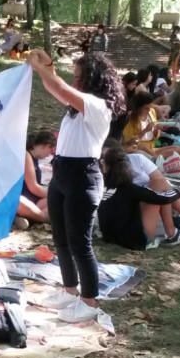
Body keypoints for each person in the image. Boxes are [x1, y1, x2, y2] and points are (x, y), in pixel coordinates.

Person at [25, 49, 127, 323]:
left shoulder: (98, 106)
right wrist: (48, 67)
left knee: (80, 244)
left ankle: (89, 301)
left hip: (83, 177)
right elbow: (56, 87)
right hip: (62, 174)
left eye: (79, 76)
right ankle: (70, 291)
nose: (75, 80)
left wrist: (40, 68)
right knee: (60, 238)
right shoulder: (76, 108)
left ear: (92, 79)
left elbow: (60, 87)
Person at [97, 146, 180, 251]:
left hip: (109, 236)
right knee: (161, 186)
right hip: (135, 241)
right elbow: (163, 199)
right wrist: (176, 192)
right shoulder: (131, 189)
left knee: (160, 186)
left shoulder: (101, 187)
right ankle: (174, 231)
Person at [122, 91, 180, 159]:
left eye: (150, 107)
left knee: (179, 149)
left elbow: (155, 136)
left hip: (152, 148)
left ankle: (156, 157)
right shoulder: (131, 120)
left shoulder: (151, 112)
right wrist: (145, 131)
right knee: (142, 147)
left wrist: (156, 130)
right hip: (140, 150)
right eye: (146, 108)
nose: (149, 110)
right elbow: (129, 143)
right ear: (138, 108)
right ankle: (155, 158)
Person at [17, 130, 55, 227]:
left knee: (59, 200)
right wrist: (51, 194)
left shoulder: (35, 159)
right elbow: (33, 187)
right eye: (50, 149)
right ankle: (41, 218)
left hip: (33, 200)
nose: (49, 154)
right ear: (44, 145)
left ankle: (29, 219)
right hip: (22, 199)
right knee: (19, 201)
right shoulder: (26, 155)